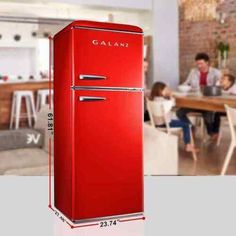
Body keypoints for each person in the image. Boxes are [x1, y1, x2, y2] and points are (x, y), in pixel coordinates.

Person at [176, 53, 222, 137]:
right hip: (195, 101)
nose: (199, 66)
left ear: (207, 62)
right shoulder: (193, 71)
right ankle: (190, 127)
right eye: (197, 64)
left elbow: (220, 87)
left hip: (209, 102)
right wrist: (182, 87)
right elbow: (187, 83)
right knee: (179, 112)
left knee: (208, 113)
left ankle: (212, 133)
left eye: (201, 63)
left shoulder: (216, 73)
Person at [150, 82, 198, 153]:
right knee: (186, 124)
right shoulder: (165, 102)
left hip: (155, 123)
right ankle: (188, 145)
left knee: (178, 121)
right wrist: (171, 96)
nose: (167, 91)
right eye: (165, 90)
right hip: (166, 123)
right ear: (160, 91)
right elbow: (173, 103)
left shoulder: (152, 100)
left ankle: (185, 140)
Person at [206, 74, 236, 140]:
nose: (221, 80)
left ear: (229, 82)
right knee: (214, 113)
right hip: (221, 108)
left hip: (232, 110)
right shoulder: (218, 86)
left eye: (224, 79)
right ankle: (214, 133)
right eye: (221, 78)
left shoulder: (234, 88)